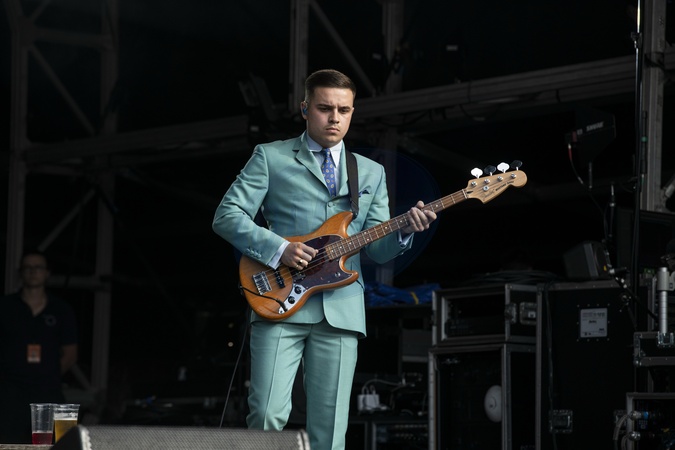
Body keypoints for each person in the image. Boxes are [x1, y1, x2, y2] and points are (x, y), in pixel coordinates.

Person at [212, 68, 436, 449]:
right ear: (305, 108)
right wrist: (279, 248)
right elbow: (226, 216)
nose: (335, 118)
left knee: (330, 431)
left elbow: (377, 249)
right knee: (265, 415)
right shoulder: (270, 156)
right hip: (278, 300)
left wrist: (404, 231)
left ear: (352, 112)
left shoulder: (371, 172)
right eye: (324, 108)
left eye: (344, 110)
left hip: (341, 308)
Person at [0, 250, 78, 444]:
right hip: (9, 393)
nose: (33, 271)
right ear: (20, 272)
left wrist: (46, 374)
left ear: (47, 273)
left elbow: (70, 353)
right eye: (28, 267)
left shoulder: (61, 309)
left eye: (38, 267)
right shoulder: (5, 306)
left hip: (49, 391)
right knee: (8, 443)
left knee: (55, 443)